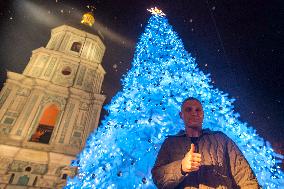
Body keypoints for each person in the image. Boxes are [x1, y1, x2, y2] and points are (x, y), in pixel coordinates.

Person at [151, 97, 260, 189]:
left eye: (198, 110)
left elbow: (245, 177)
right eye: (189, 110)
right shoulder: (170, 143)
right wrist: (181, 167)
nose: (194, 113)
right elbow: (158, 178)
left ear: (202, 114)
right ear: (181, 115)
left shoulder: (221, 139)